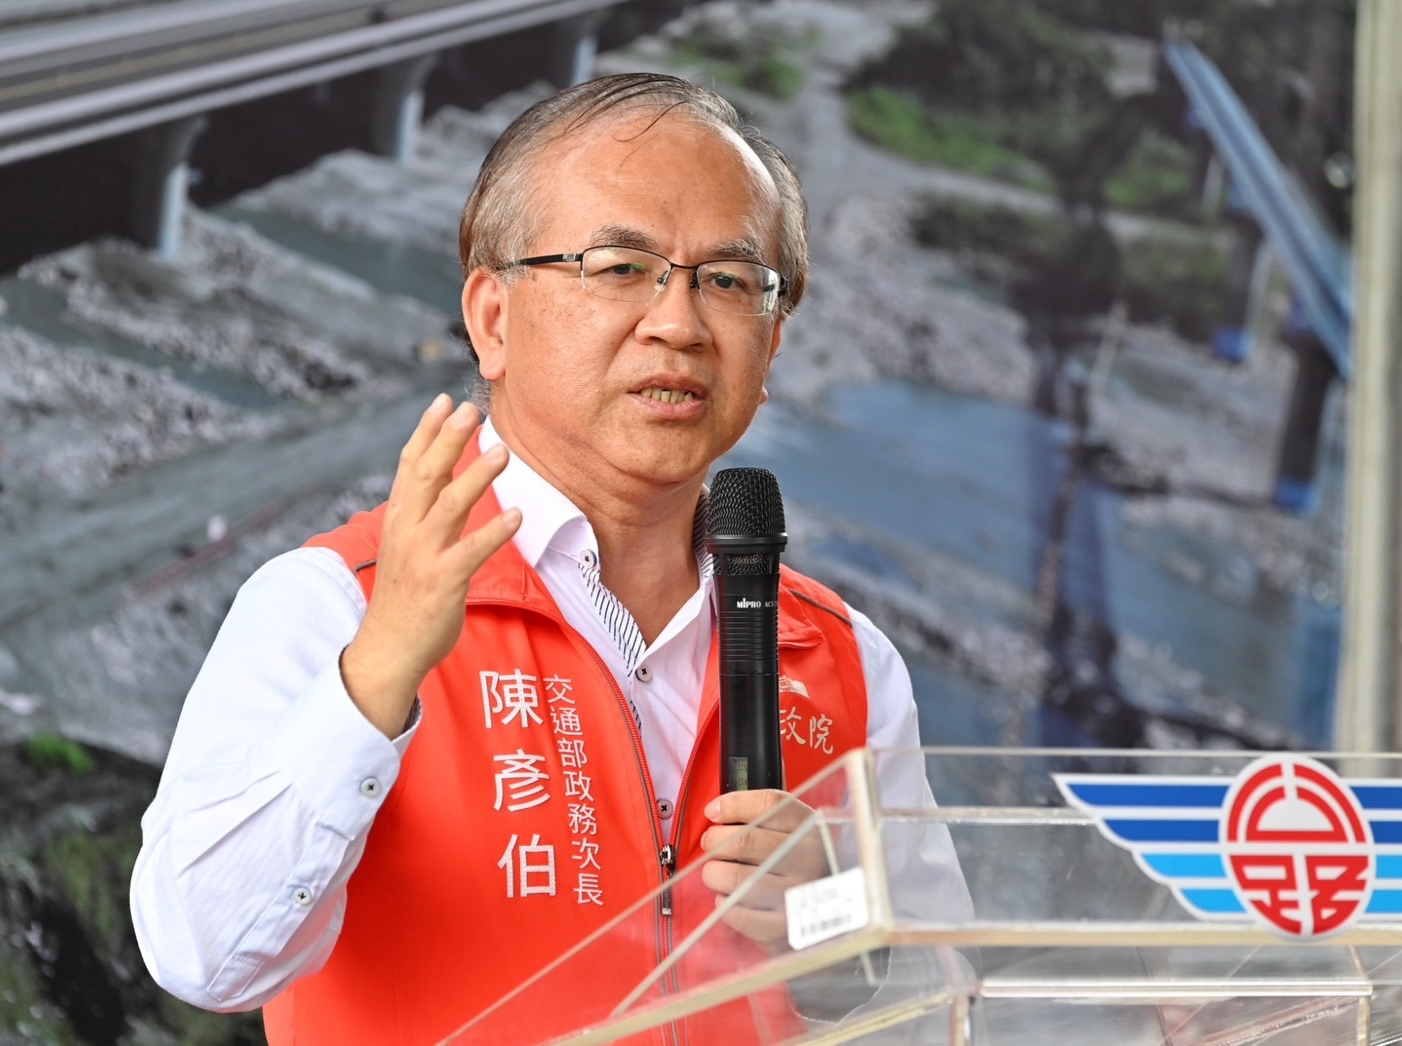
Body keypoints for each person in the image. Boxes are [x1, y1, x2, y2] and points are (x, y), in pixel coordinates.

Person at [131, 72, 970, 1044]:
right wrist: (379, 675)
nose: (678, 323)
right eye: (620, 267)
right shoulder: (334, 607)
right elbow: (203, 957)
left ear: (772, 341)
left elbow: (949, 1003)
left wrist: (835, 920)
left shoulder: (848, 661)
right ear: (492, 318)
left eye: (728, 281)